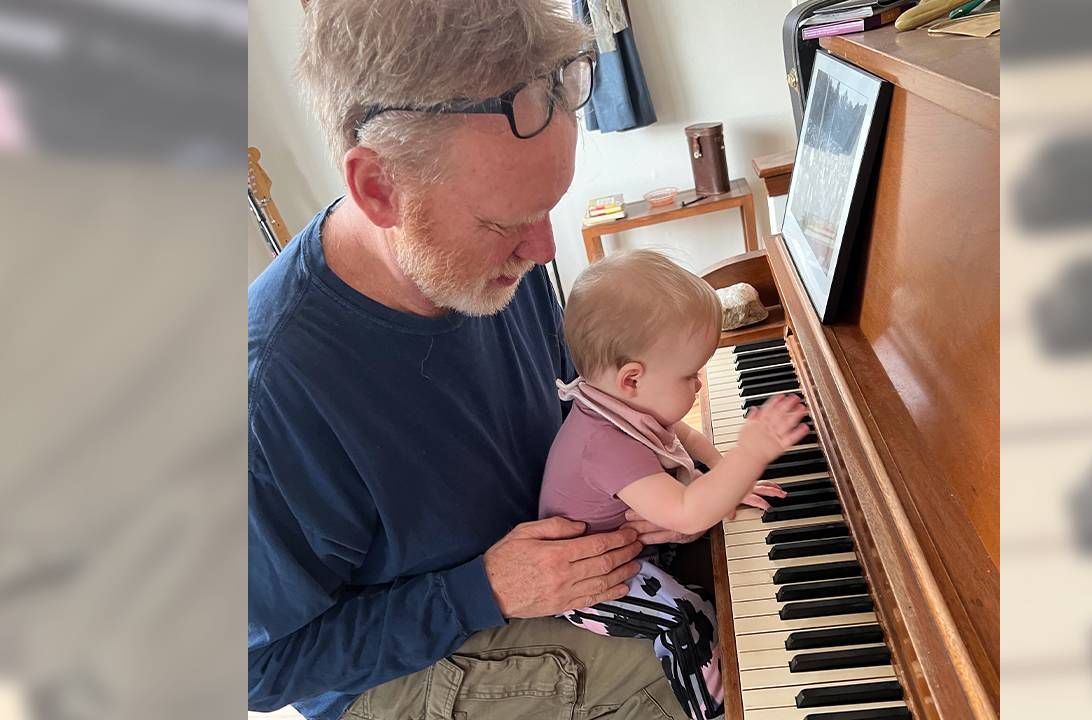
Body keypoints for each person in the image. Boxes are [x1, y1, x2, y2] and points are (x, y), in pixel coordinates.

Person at [248, 2, 692, 718]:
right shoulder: (269, 396)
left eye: (548, 207)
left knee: (727, 558)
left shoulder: (491, 264)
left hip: (532, 557)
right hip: (394, 670)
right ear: (378, 188)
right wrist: (482, 590)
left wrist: (651, 446)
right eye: (507, 222)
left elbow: (559, 395)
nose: (545, 250)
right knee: (680, 674)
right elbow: (256, 669)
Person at [539, 250, 809, 720]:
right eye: (689, 375)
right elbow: (687, 513)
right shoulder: (603, 443)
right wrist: (751, 455)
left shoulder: (622, 406)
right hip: (595, 582)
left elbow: (682, 435)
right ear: (632, 379)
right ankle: (715, 709)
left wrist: (727, 471)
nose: (699, 385)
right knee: (686, 617)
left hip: (633, 547)